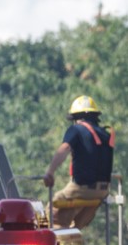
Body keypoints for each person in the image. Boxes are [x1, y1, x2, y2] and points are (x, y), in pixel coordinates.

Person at [43, 95, 115, 229]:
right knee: (75, 225)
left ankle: (51, 244)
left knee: (52, 211)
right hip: (102, 192)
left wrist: (50, 172)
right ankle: (73, 238)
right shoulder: (105, 134)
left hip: (81, 189)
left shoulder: (76, 129)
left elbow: (64, 149)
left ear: (77, 118)